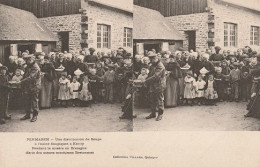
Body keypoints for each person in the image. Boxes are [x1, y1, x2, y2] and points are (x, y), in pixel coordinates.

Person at [143, 53, 166, 121]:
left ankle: (160, 114)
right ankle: (153, 113)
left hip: (159, 85)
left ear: (155, 59)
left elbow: (156, 76)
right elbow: (150, 74)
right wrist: (145, 78)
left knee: (159, 100)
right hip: (152, 85)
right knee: (152, 99)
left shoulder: (160, 66)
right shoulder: (153, 65)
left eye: (151, 59)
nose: (150, 61)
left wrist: (146, 81)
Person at [19, 55, 41, 122]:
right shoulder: (28, 66)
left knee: (34, 101)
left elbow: (31, 77)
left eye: (27, 60)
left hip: (34, 86)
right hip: (27, 86)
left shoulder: (35, 67)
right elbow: (25, 75)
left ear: (31, 60)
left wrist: (21, 81)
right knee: (27, 100)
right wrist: (22, 79)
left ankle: (35, 116)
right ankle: (27, 114)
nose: (26, 62)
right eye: (25, 60)